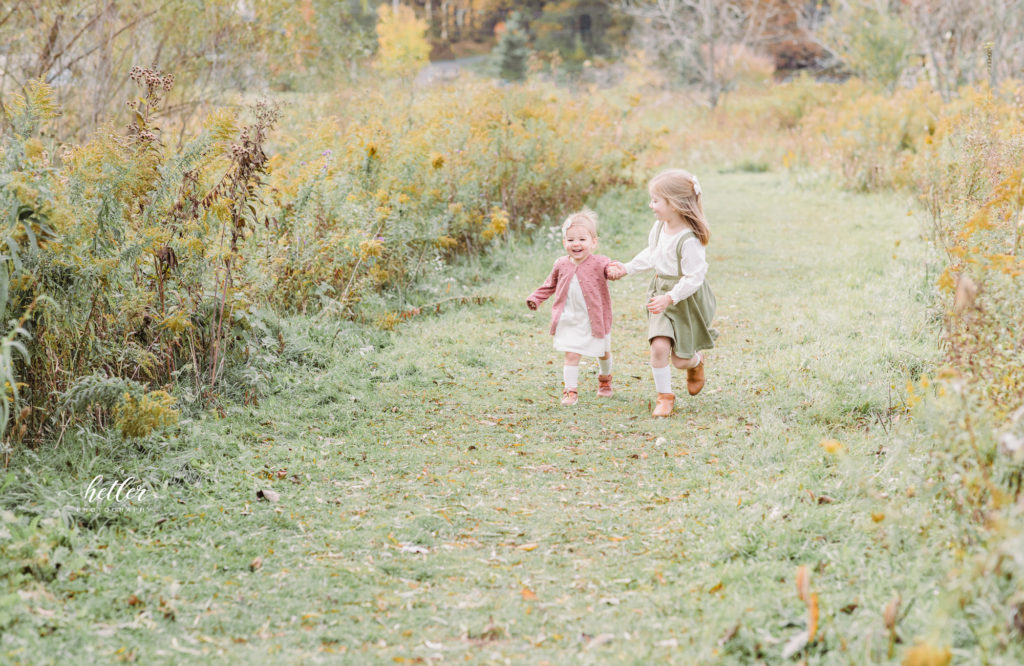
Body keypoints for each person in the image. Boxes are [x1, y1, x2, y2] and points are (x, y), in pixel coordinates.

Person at [614, 169, 717, 417]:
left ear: (674, 204)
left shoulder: (689, 240)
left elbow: (694, 276)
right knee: (659, 347)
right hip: (659, 294)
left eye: (656, 200)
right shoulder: (659, 227)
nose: (651, 205)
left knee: (680, 360)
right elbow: (653, 254)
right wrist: (626, 268)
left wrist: (671, 297)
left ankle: (696, 362)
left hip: (685, 299)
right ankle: (664, 396)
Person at [527, 210, 621, 406]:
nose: (576, 244)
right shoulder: (561, 264)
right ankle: (570, 390)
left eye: (582, 239)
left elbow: (609, 267)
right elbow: (549, 285)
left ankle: (605, 380)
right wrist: (536, 298)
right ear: (564, 243)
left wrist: (612, 271)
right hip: (569, 317)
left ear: (593, 242)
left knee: (602, 351)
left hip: (594, 318)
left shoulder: (599, 262)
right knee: (571, 353)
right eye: (570, 240)